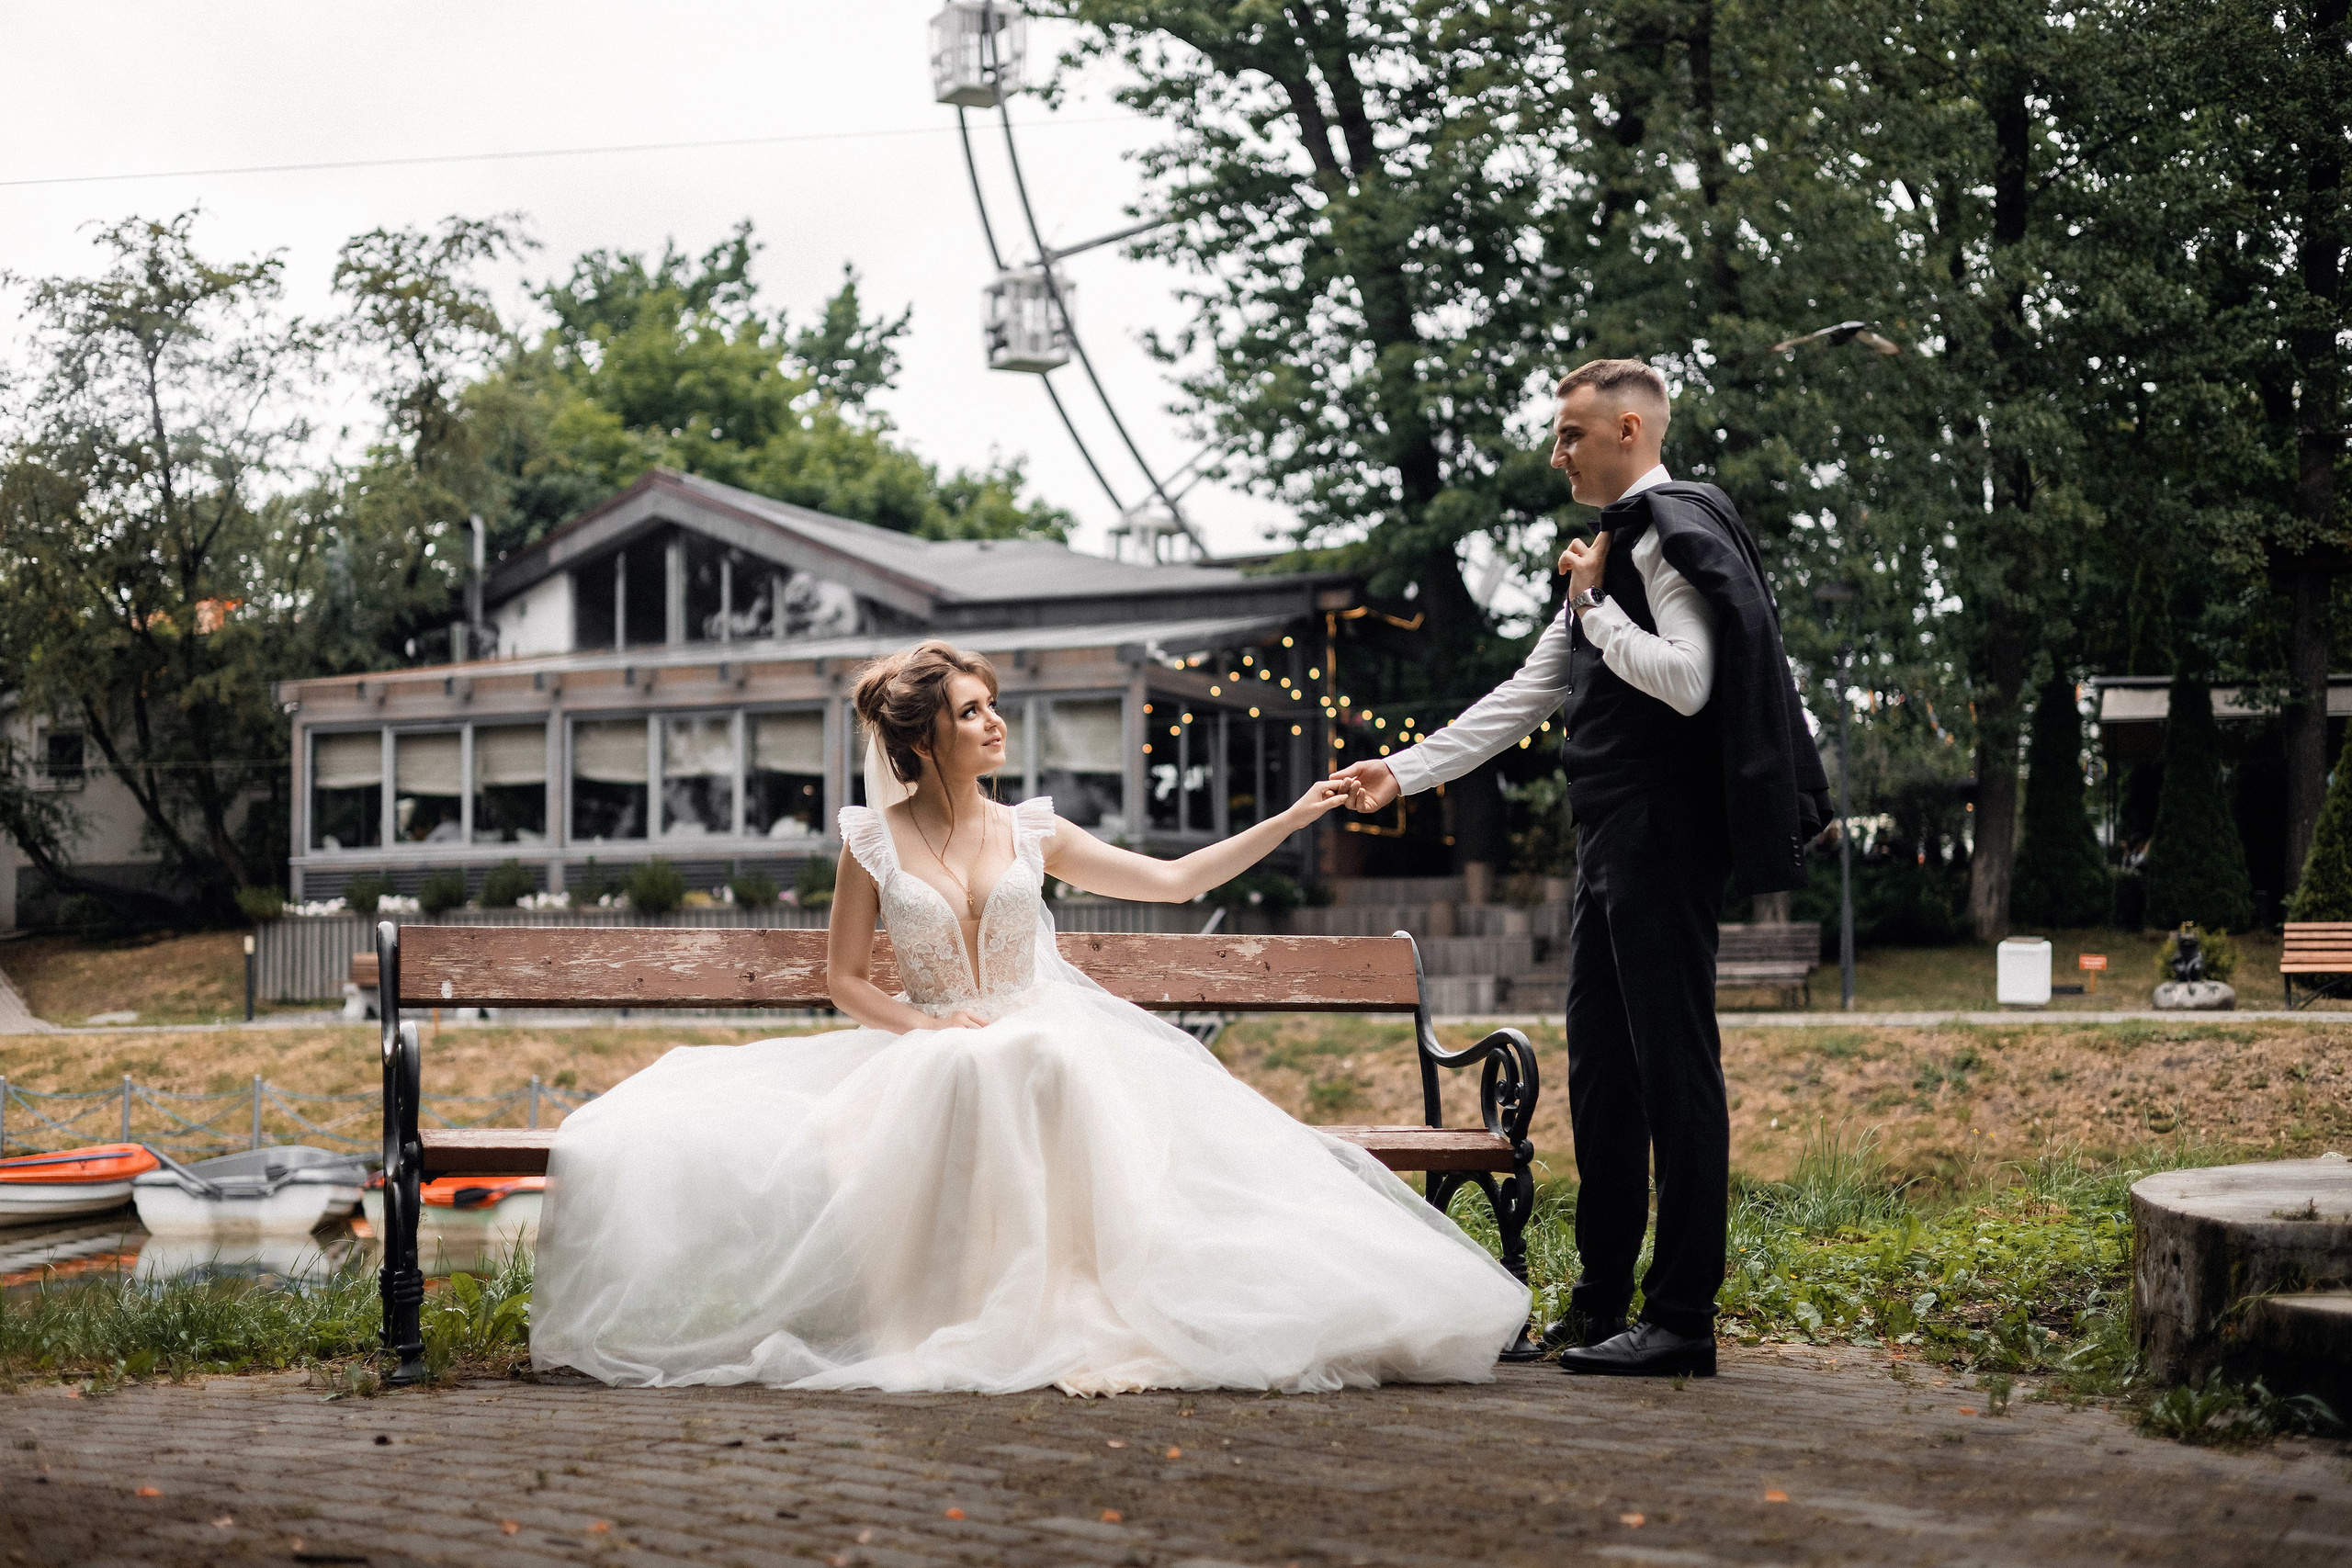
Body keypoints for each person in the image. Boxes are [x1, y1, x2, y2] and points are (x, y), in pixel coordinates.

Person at [532, 639, 1530, 1395]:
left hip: (1044, 1029)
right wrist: (924, 1030)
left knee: (1033, 1058)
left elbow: (1174, 882)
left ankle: (1071, 1303)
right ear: (924, 738)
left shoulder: (1033, 828)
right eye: (972, 713)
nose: (994, 725)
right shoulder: (869, 843)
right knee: (963, 1067)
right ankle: (959, 1312)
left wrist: (1295, 814)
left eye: (991, 708)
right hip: (935, 1041)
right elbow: (843, 979)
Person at [1333, 359, 1830, 1378]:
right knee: (1602, 1077)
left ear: (1630, 429)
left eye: (1571, 434)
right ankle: (1603, 1302)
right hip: (1608, 839)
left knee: (1674, 1071)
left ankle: (1681, 1317)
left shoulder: (1665, 536)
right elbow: (1528, 694)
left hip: (1661, 836)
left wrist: (1597, 606)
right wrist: (1404, 772)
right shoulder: (1613, 550)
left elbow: (1690, 686)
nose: (1555, 452)